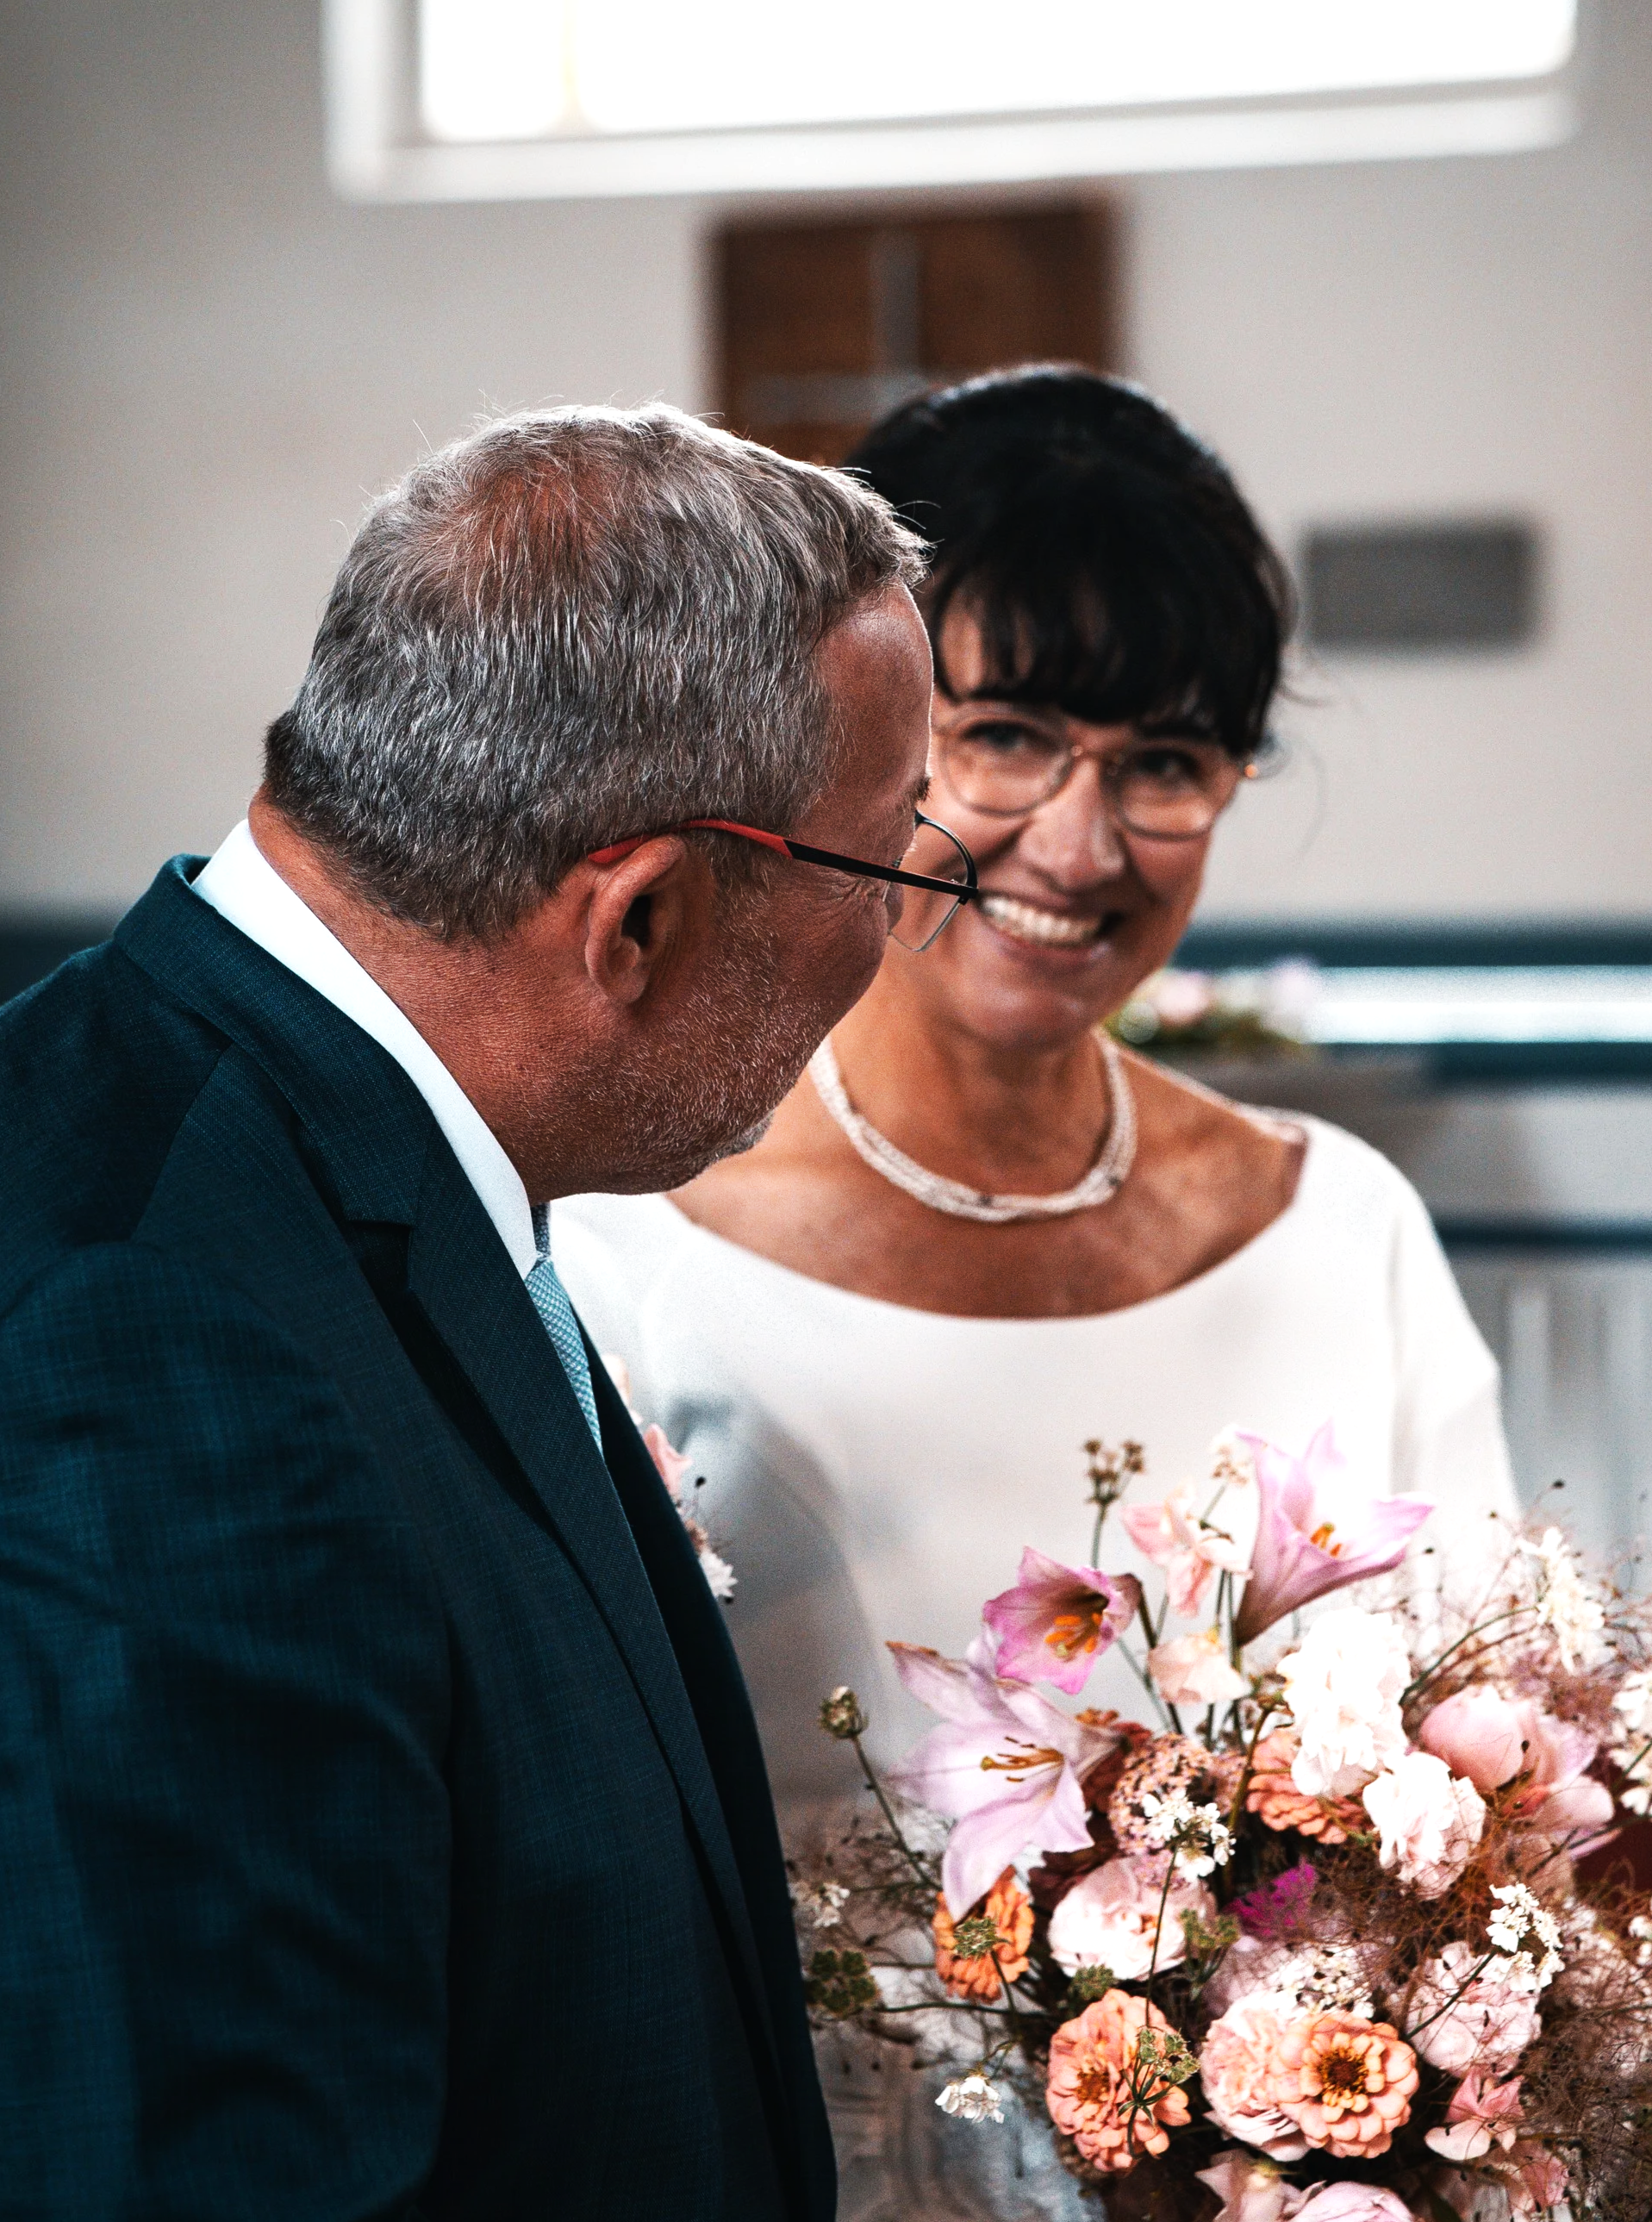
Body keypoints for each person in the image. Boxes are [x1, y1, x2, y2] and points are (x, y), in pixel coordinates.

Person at [551, 370, 1517, 2219]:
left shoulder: (1341, 1225)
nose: (1078, 847)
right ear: (842, 737)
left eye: (1165, 763)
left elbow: (1486, 1784)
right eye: (1000, 737)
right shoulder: (622, 1233)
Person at [0, 404, 946, 2219]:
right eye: (889, 865)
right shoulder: (154, 1345)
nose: (892, 935)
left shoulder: (328, 1133)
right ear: (641, 920)